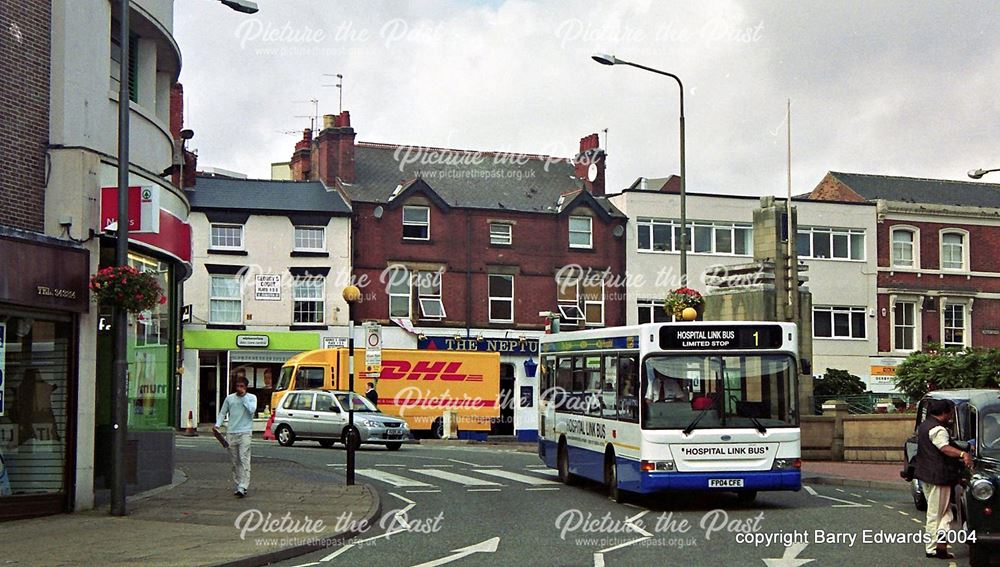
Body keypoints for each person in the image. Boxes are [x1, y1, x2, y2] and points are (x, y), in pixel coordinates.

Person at [913, 399, 973, 559]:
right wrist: (963, 454)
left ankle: (941, 545)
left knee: (945, 513)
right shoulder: (938, 429)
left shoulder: (925, 425)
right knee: (936, 514)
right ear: (945, 413)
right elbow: (944, 448)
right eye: (950, 413)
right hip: (938, 477)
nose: (951, 416)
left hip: (926, 475)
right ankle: (932, 548)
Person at [213, 376, 257, 498]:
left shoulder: (251, 398)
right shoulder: (230, 399)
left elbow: (252, 410)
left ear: (246, 387)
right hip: (231, 432)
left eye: (242, 386)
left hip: (245, 432)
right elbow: (223, 412)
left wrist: (244, 399)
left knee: (244, 458)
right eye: (238, 386)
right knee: (234, 460)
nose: (239, 389)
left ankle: (243, 486)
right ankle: (238, 484)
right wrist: (217, 425)